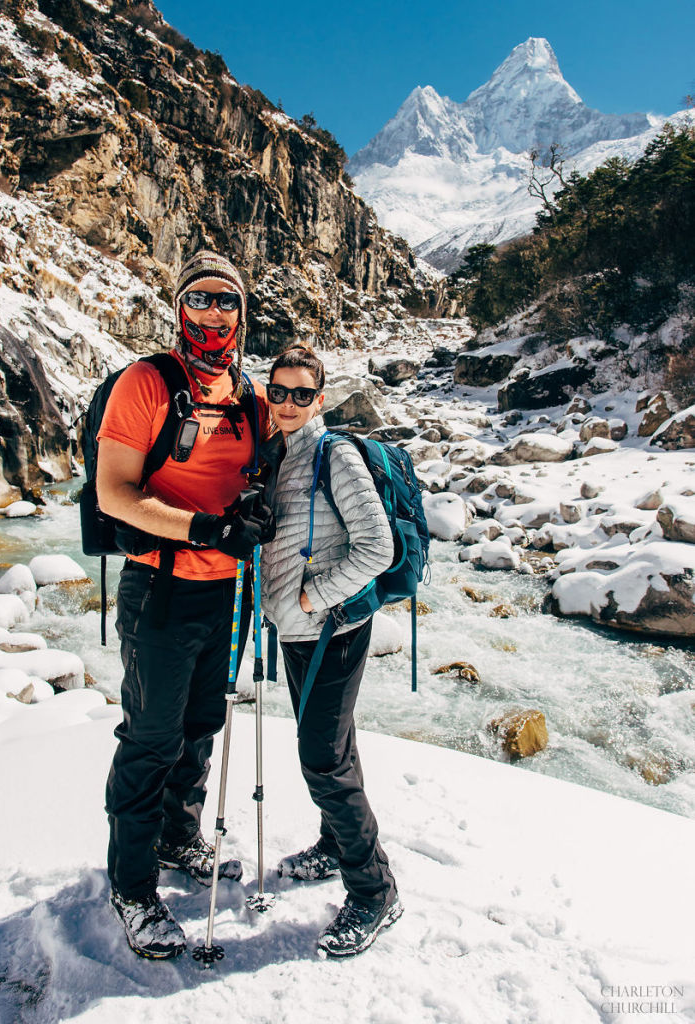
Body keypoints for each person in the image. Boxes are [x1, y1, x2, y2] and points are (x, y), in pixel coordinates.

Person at [96, 250, 272, 959]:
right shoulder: (148, 383)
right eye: (199, 299)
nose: (213, 314)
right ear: (178, 308)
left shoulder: (248, 395)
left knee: (201, 724)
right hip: (161, 587)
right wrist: (203, 527)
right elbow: (116, 491)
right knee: (151, 737)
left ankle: (178, 838)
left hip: (227, 593)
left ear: (241, 312)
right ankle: (132, 885)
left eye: (226, 301)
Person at [260, 345, 402, 959]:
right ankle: (333, 842)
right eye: (278, 392)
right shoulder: (281, 454)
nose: (288, 404)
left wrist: (314, 597)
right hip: (299, 630)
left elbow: (379, 547)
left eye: (300, 394)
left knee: (321, 757)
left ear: (319, 399)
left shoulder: (332, 454)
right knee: (333, 746)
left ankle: (374, 890)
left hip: (333, 630)